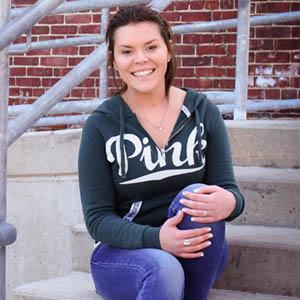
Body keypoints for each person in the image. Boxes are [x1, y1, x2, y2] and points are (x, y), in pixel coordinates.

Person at [78, 5, 245, 300]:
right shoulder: (100, 125)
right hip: (126, 255)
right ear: (114, 61)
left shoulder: (201, 111)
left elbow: (229, 191)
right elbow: (98, 220)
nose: (140, 59)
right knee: (164, 267)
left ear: (168, 51)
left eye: (151, 47)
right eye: (127, 51)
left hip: (195, 248)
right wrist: (157, 238)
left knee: (198, 193)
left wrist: (231, 202)